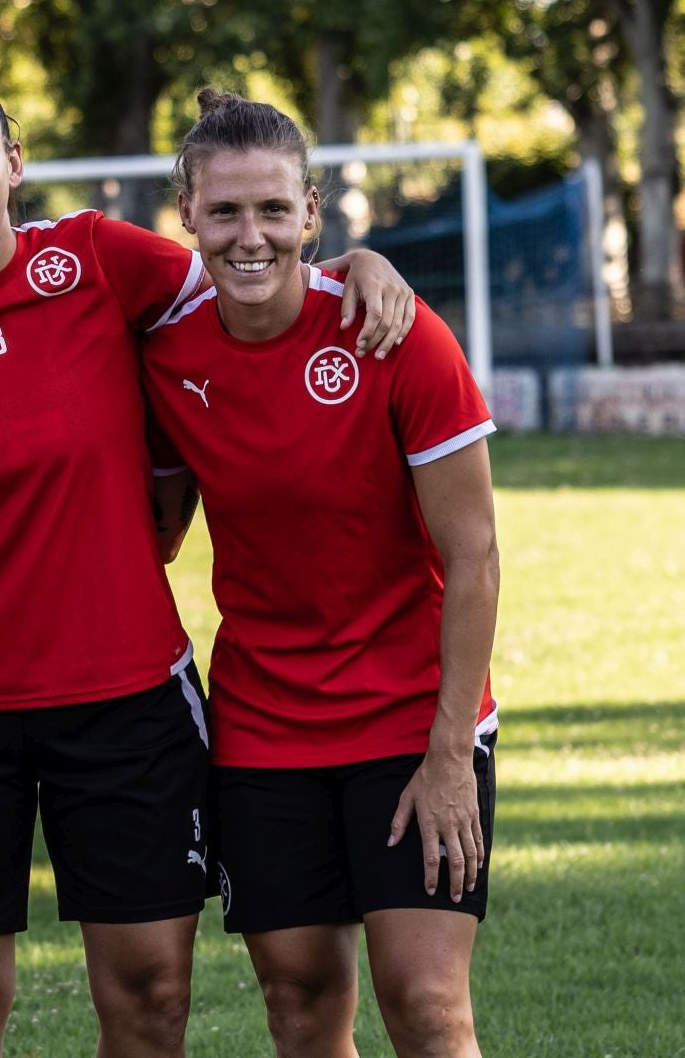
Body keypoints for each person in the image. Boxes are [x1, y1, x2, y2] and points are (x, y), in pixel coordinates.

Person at [0, 62, 414, 1058]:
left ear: (15, 162)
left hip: (127, 700)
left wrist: (358, 260)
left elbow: (255, 269)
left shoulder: (99, 257)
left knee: (151, 1002)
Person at [139, 89, 500, 1058]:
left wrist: (451, 752)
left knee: (424, 1000)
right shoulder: (168, 359)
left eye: (271, 210)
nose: (248, 234)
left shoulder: (394, 332)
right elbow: (152, 531)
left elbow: (474, 553)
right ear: (189, 220)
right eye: (224, 211)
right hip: (264, 726)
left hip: (411, 715)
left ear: (311, 213)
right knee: (299, 1003)